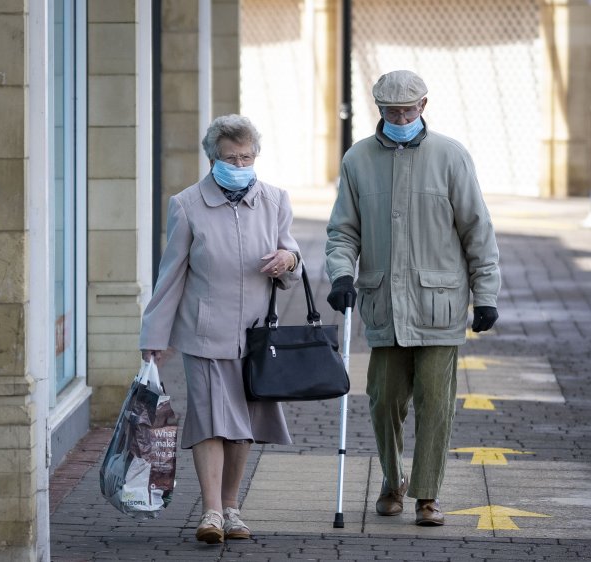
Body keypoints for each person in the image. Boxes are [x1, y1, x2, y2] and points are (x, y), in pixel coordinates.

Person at [325, 70, 501, 526]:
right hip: (385, 304)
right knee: (383, 400)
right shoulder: (358, 159)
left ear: (424, 105)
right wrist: (342, 275)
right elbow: (343, 231)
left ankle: (427, 495)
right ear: (378, 109)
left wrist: (486, 295)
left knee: (435, 403)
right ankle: (391, 479)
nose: (400, 117)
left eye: (407, 109)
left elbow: (477, 230)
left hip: (439, 306)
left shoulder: (450, 156)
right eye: (391, 110)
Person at [139, 114, 302, 544]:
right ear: (213, 159)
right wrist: (155, 336)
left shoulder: (275, 199)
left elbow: (292, 255)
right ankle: (211, 511)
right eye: (231, 157)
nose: (240, 163)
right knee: (212, 420)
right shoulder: (187, 204)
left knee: (243, 423)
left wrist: (288, 260)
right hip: (205, 333)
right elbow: (170, 275)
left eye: (246, 156)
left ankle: (232, 507)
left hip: (256, 335)